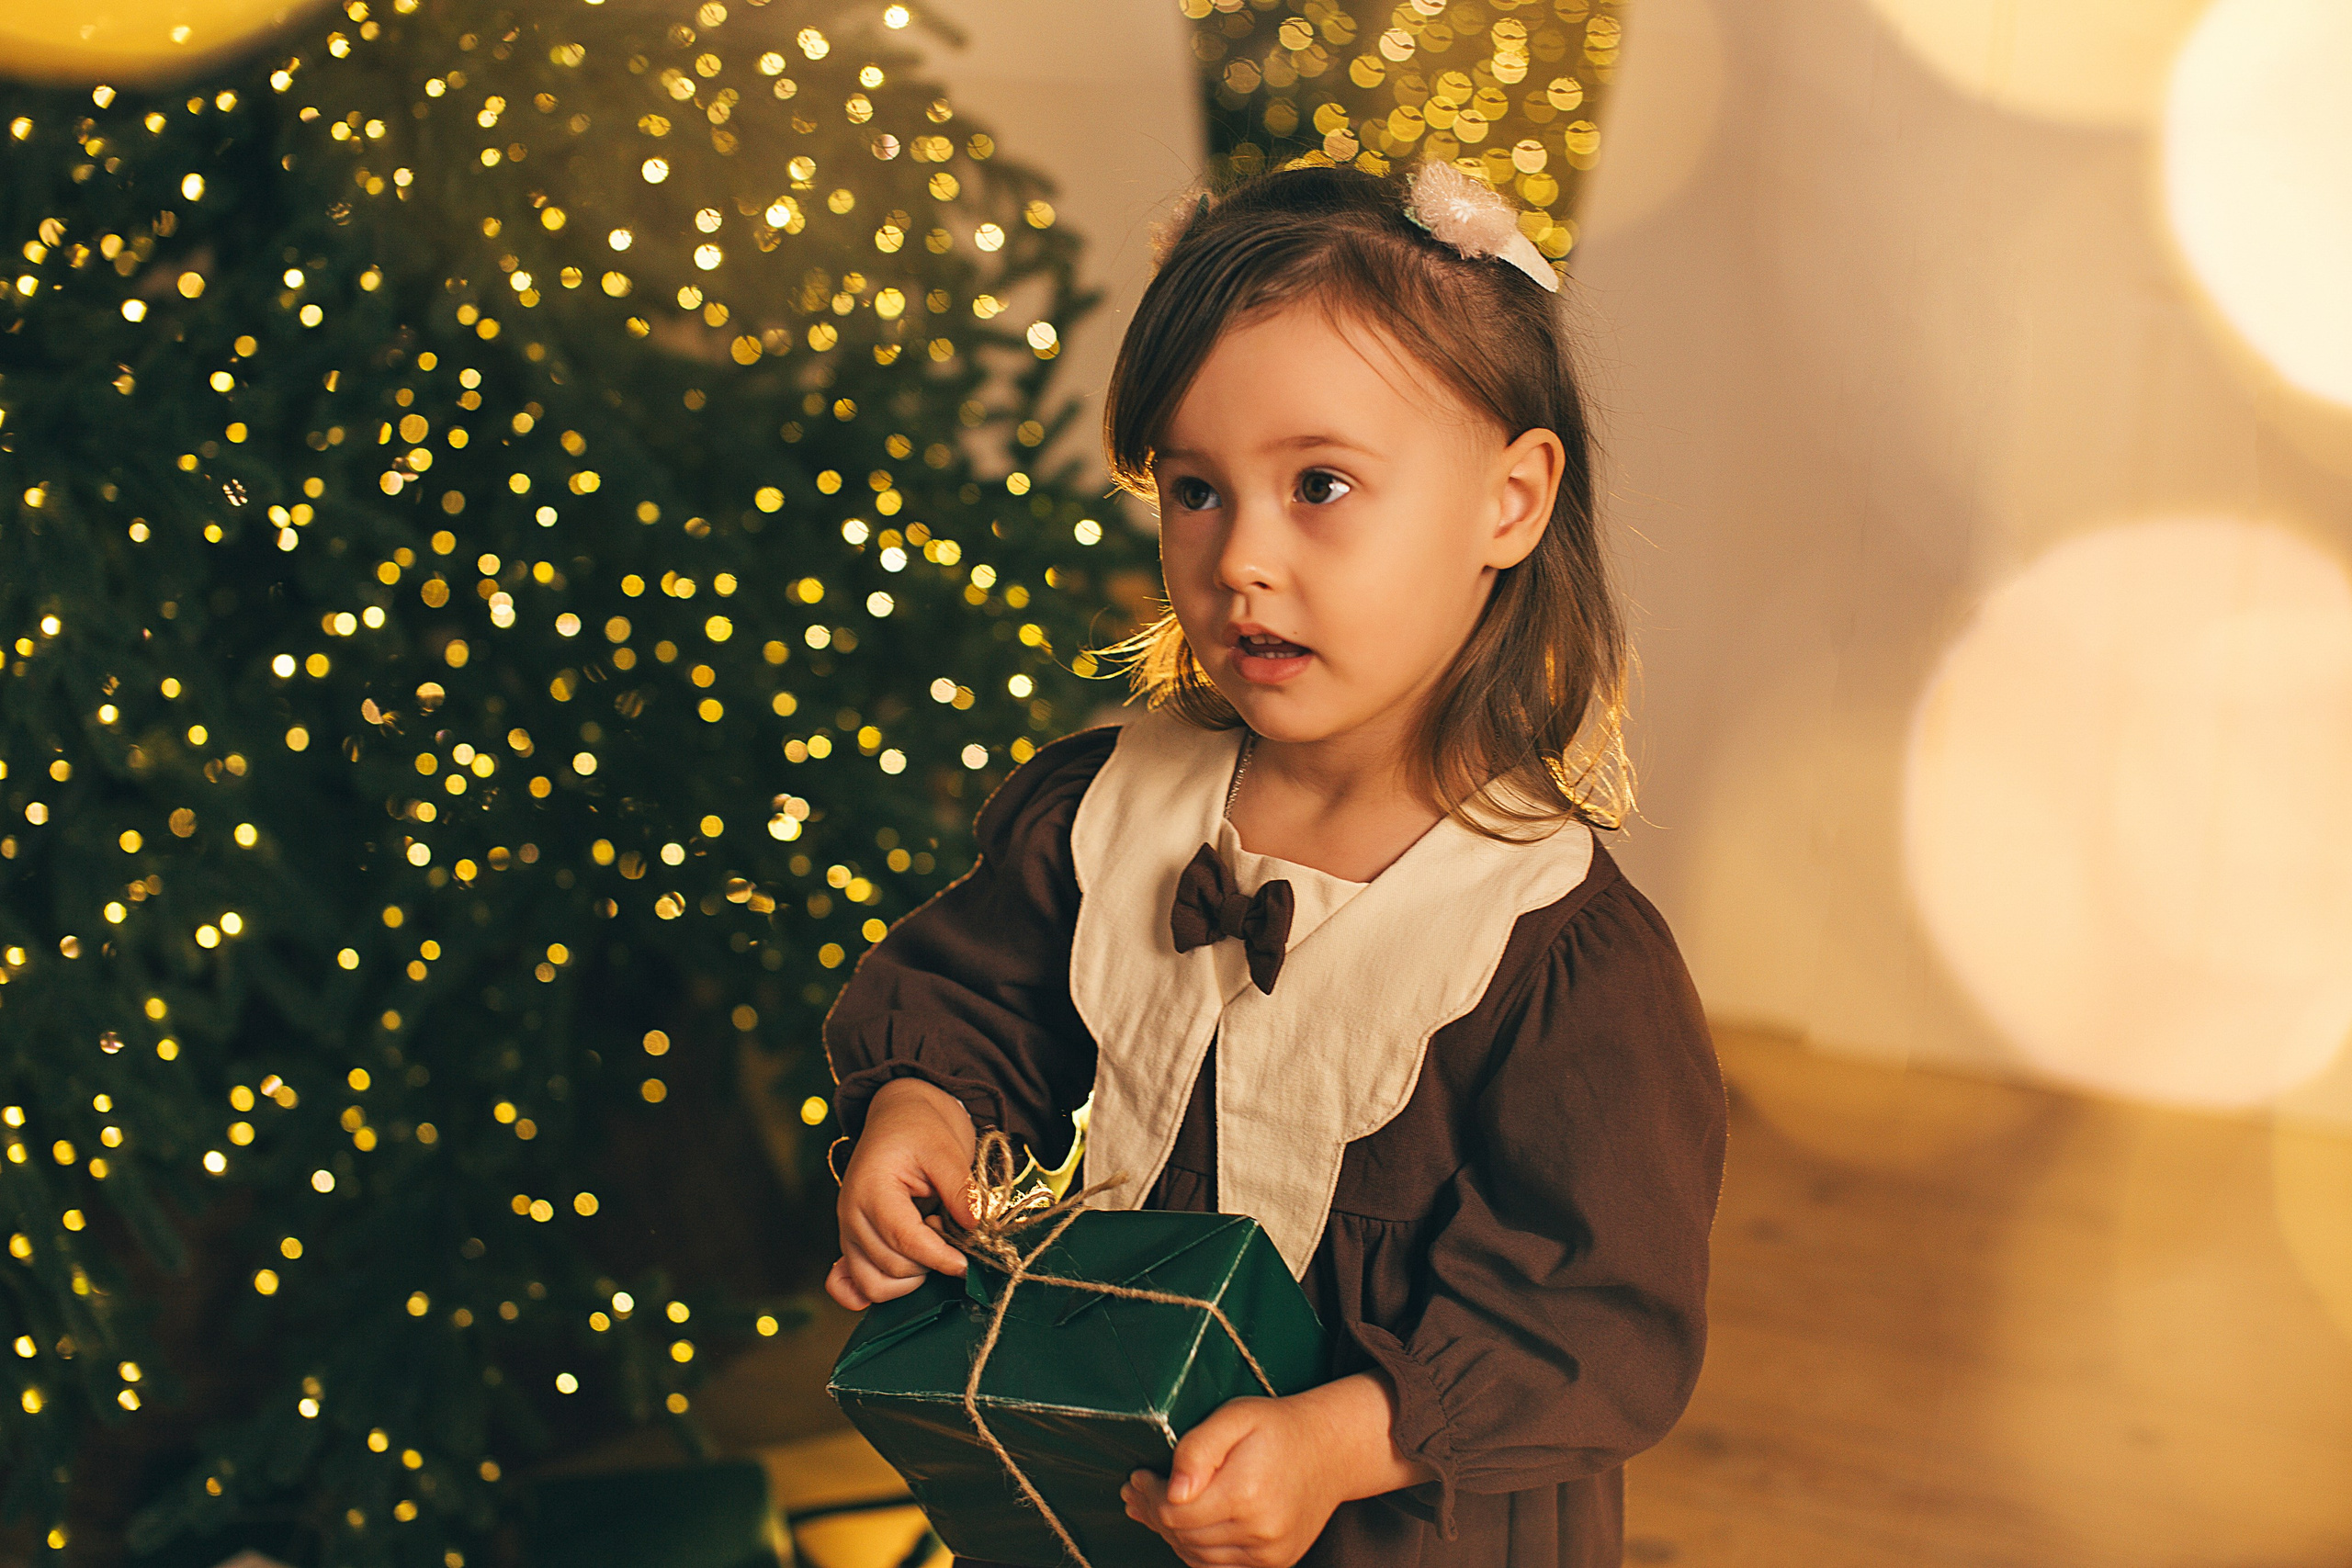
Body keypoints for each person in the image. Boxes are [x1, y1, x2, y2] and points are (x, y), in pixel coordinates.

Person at [822, 161, 1726, 1568]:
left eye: (1320, 485)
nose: (1240, 557)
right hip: (1118, 1463)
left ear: (1511, 500)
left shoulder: (1552, 953)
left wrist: (1338, 1440)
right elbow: (978, 1000)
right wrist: (924, 1116)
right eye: (1194, 489)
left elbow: (1595, 1313)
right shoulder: (1112, 809)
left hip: (1405, 1521)